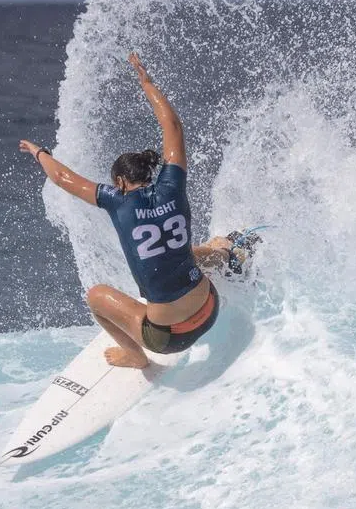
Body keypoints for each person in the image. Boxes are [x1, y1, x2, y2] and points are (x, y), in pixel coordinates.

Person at [19, 53, 231, 369]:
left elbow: (62, 177)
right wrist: (147, 83)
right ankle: (225, 254)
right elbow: (173, 125)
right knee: (181, 253)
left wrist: (39, 153)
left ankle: (135, 357)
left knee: (96, 296)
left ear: (119, 182)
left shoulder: (116, 200)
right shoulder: (172, 183)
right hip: (210, 307)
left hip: (168, 337)